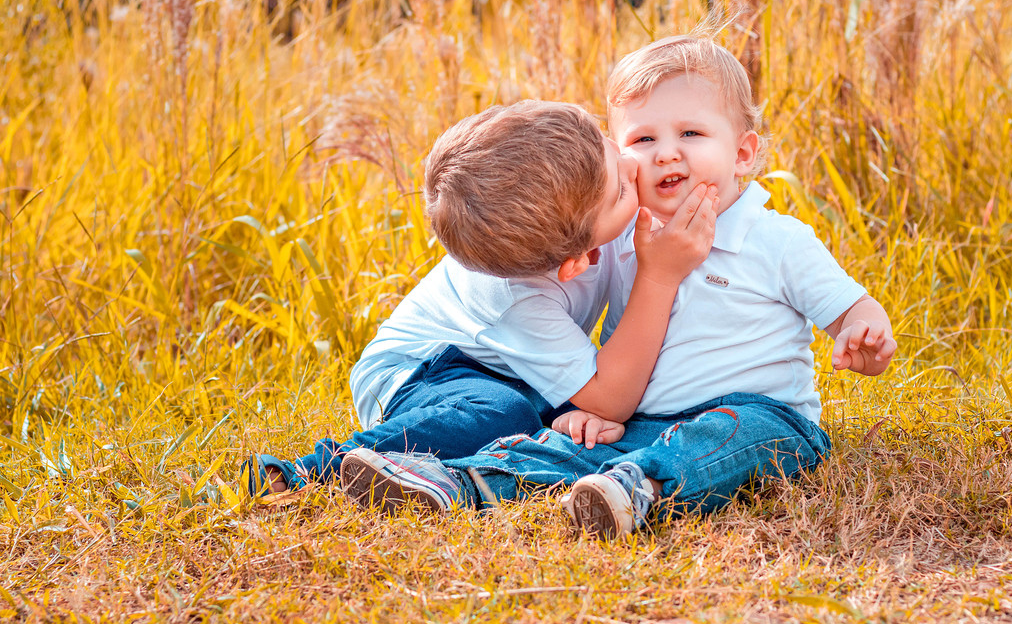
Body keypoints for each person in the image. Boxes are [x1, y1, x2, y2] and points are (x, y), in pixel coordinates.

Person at [338, 36, 897, 537]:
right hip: (636, 420)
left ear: (743, 153)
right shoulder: (621, 245)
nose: (665, 153)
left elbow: (850, 306)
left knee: (734, 437)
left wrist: (864, 332)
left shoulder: (776, 240)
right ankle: (464, 481)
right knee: (563, 446)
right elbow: (619, 361)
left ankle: (640, 488)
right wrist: (592, 412)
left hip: (762, 413)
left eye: (691, 133)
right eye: (643, 138)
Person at [244, 100, 717, 494]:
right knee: (504, 412)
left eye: (608, 145)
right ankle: (314, 471)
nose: (632, 164)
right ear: (575, 262)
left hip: (509, 367)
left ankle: (476, 454)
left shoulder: (583, 210)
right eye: (621, 190)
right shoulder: (516, 296)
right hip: (422, 372)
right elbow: (611, 398)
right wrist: (659, 276)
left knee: (549, 414)